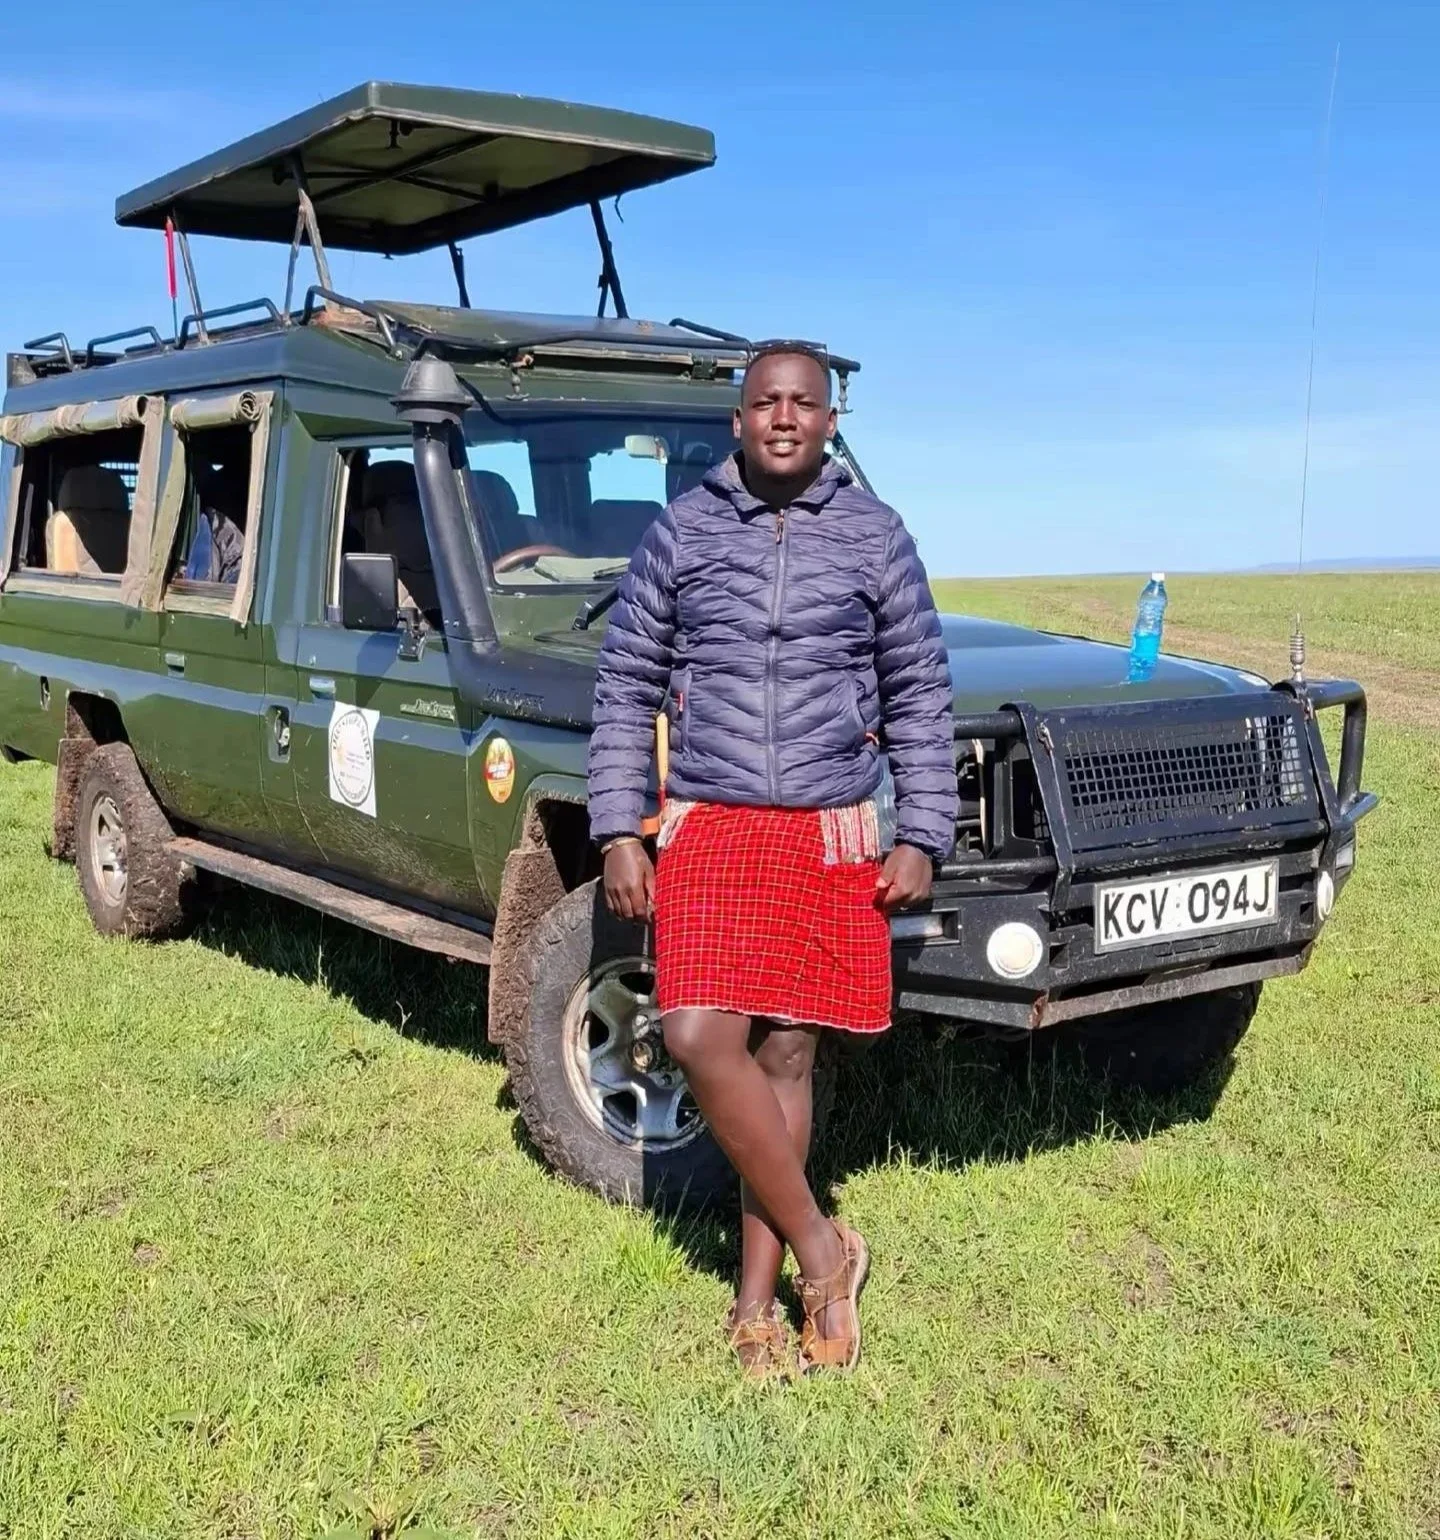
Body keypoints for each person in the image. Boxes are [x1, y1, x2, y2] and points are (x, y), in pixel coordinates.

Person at [587, 342, 956, 1377]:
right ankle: (827, 1251)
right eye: (765, 402)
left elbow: (921, 691)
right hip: (711, 820)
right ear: (737, 419)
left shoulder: (877, 537)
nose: (784, 417)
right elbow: (626, 685)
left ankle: (758, 1301)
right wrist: (621, 825)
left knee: (789, 1053)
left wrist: (924, 827)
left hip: (828, 825)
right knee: (703, 1033)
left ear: (831, 419)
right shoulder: (684, 531)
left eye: (804, 402)